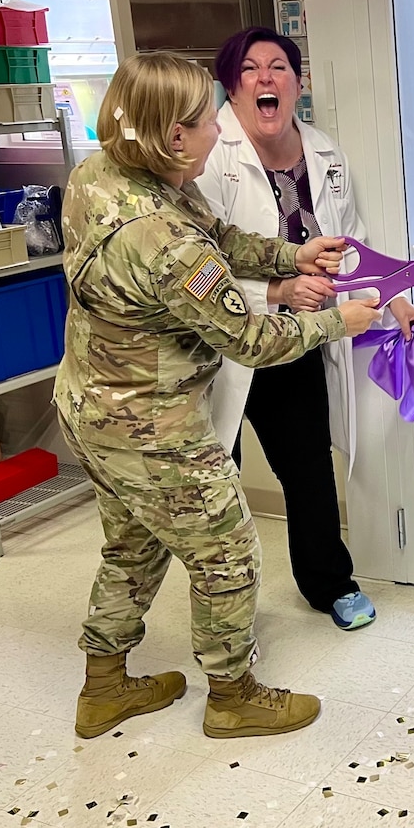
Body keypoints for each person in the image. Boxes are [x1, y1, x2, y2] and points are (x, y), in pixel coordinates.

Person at [57, 51, 383, 742]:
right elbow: (250, 341)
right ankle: (233, 695)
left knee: (134, 547)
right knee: (227, 553)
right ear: (174, 135)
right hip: (150, 424)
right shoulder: (161, 238)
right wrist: (337, 321)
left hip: (92, 406)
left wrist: (290, 255)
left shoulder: (103, 175)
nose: (218, 132)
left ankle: (104, 686)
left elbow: (218, 233)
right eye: (208, 121)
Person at [196, 27, 414, 632]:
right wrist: (276, 289)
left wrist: (395, 301)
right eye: (250, 69)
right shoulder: (209, 154)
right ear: (232, 86)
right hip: (215, 347)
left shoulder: (323, 152)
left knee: (308, 469)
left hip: (293, 342)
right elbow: (197, 263)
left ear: (297, 83)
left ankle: (329, 583)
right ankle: (221, 609)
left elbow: (352, 249)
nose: (266, 78)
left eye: (279, 66)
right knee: (210, 481)